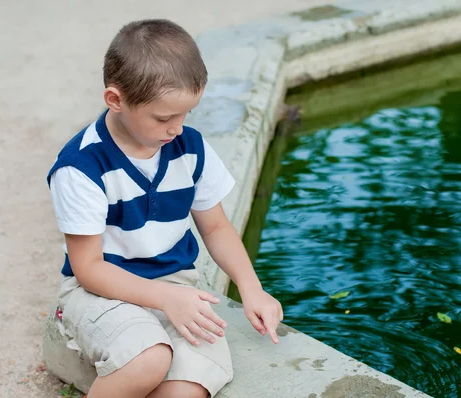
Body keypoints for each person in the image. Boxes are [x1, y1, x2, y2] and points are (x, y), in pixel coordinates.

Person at [46, 18, 284, 398]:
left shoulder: (189, 148)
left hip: (176, 284)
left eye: (186, 114)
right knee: (148, 359)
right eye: (163, 117)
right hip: (101, 291)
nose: (177, 128)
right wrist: (165, 300)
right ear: (116, 100)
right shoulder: (82, 167)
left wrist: (251, 287)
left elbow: (217, 227)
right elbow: (87, 268)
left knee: (187, 390)